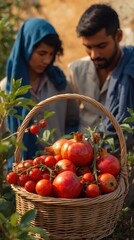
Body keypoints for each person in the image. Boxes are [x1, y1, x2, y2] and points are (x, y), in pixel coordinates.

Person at [0, 17, 79, 170]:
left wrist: (64, 147)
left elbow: (73, 121)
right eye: (42, 53)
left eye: (51, 54)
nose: (47, 60)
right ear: (26, 48)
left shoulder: (60, 84)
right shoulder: (5, 91)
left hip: (57, 170)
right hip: (19, 172)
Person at [67, 3, 134, 153]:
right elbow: (70, 119)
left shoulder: (131, 70)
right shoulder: (76, 71)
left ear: (118, 36)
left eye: (101, 46)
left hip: (122, 161)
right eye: (88, 47)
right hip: (81, 161)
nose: (94, 55)